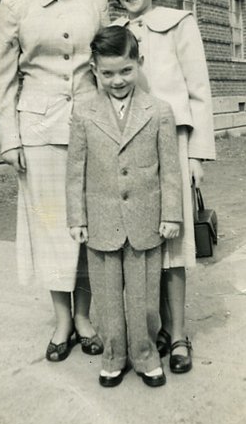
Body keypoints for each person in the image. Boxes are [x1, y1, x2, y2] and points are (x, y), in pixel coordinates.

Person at [0, 0, 109, 362]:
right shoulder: (15, 6)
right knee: (50, 229)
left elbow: (107, 69)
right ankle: (62, 321)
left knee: (87, 224)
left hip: (89, 128)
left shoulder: (95, 4)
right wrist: (10, 138)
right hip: (37, 131)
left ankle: (85, 316)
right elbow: (3, 79)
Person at [106, 0, 216, 374]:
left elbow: (199, 89)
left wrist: (197, 155)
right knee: (138, 242)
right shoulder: (113, 31)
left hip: (172, 144)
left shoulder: (179, 23)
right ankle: (153, 330)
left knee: (173, 244)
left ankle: (181, 333)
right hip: (129, 148)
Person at [66, 25, 182, 388]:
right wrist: (77, 218)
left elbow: (170, 170)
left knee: (146, 297)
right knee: (107, 297)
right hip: (101, 221)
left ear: (139, 64)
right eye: (108, 73)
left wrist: (171, 214)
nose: (117, 80)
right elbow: (74, 172)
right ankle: (114, 355)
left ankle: (146, 356)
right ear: (95, 71)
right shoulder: (84, 114)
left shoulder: (159, 111)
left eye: (126, 71)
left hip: (146, 221)